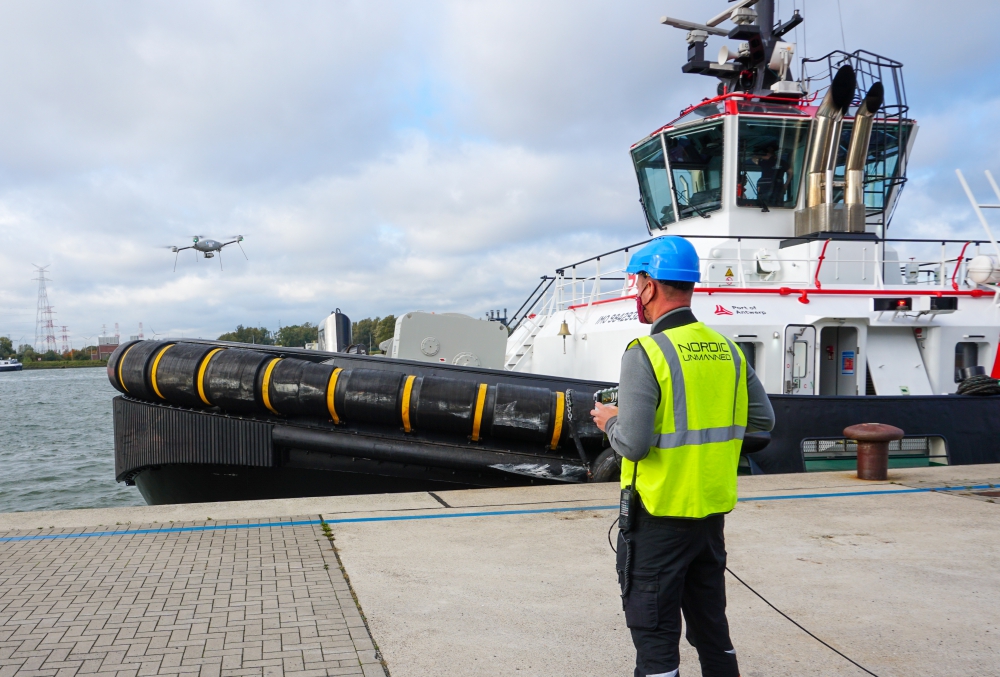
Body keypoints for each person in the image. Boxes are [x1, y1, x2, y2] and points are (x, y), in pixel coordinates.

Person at [590, 236, 775, 677]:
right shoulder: (727, 349)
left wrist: (610, 421)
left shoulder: (647, 352)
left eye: (637, 283)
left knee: (655, 637)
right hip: (709, 517)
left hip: (658, 519)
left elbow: (633, 445)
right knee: (712, 630)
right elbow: (763, 422)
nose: (636, 292)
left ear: (650, 286)